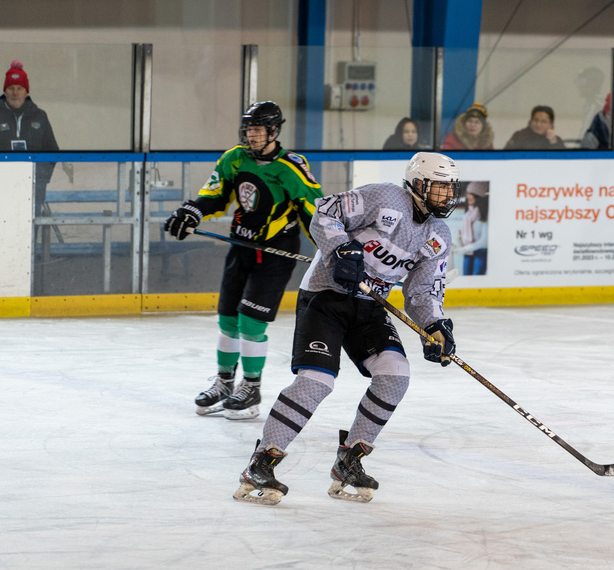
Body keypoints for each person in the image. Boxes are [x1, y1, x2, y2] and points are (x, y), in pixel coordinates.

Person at [233, 152, 462, 505]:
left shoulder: (439, 234)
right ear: (418, 184)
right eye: (439, 188)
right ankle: (261, 462)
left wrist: (433, 325)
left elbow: (422, 289)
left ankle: (349, 460)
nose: (447, 196)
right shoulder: (385, 198)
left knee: (395, 374)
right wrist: (341, 250)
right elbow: (325, 212)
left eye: (450, 189)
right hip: (326, 295)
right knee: (317, 381)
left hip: (370, 306)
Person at [164, 101, 323, 420]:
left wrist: (330, 248)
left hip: (275, 254)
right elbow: (216, 195)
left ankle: (251, 388)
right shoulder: (234, 159)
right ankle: (224, 382)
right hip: (241, 247)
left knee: (251, 322)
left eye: (258, 130)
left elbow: (313, 212)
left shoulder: (291, 167)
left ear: (274, 131)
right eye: (248, 129)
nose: (251, 136)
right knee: (227, 320)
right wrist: (193, 210)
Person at [0, 60, 72, 215]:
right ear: (5, 91)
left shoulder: (40, 117)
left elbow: (52, 151)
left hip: (32, 193)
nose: (15, 93)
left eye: (20, 88)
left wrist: (40, 181)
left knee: (31, 234)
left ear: (26, 91)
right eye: (11, 88)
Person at [453, 182, 488, 275]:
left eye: (470, 194)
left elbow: (484, 241)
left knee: (477, 281)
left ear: (478, 196)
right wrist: (459, 238)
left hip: (480, 253)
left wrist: (466, 248)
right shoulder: (467, 214)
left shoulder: (483, 215)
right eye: (467, 193)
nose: (467, 196)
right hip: (468, 253)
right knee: (466, 278)